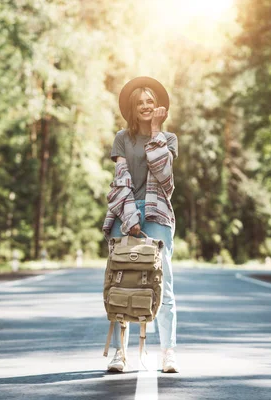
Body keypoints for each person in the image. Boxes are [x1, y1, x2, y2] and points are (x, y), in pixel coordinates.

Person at [102, 76, 179, 373]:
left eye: (150, 102)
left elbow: (164, 177)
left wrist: (156, 131)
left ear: (158, 107)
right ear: (132, 110)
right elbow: (120, 180)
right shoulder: (122, 138)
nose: (146, 106)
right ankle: (120, 353)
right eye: (140, 103)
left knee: (164, 284)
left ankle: (168, 352)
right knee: (119, 282)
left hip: (158, 217)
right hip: (125, 215)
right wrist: (130, 218)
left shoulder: (168, 139)